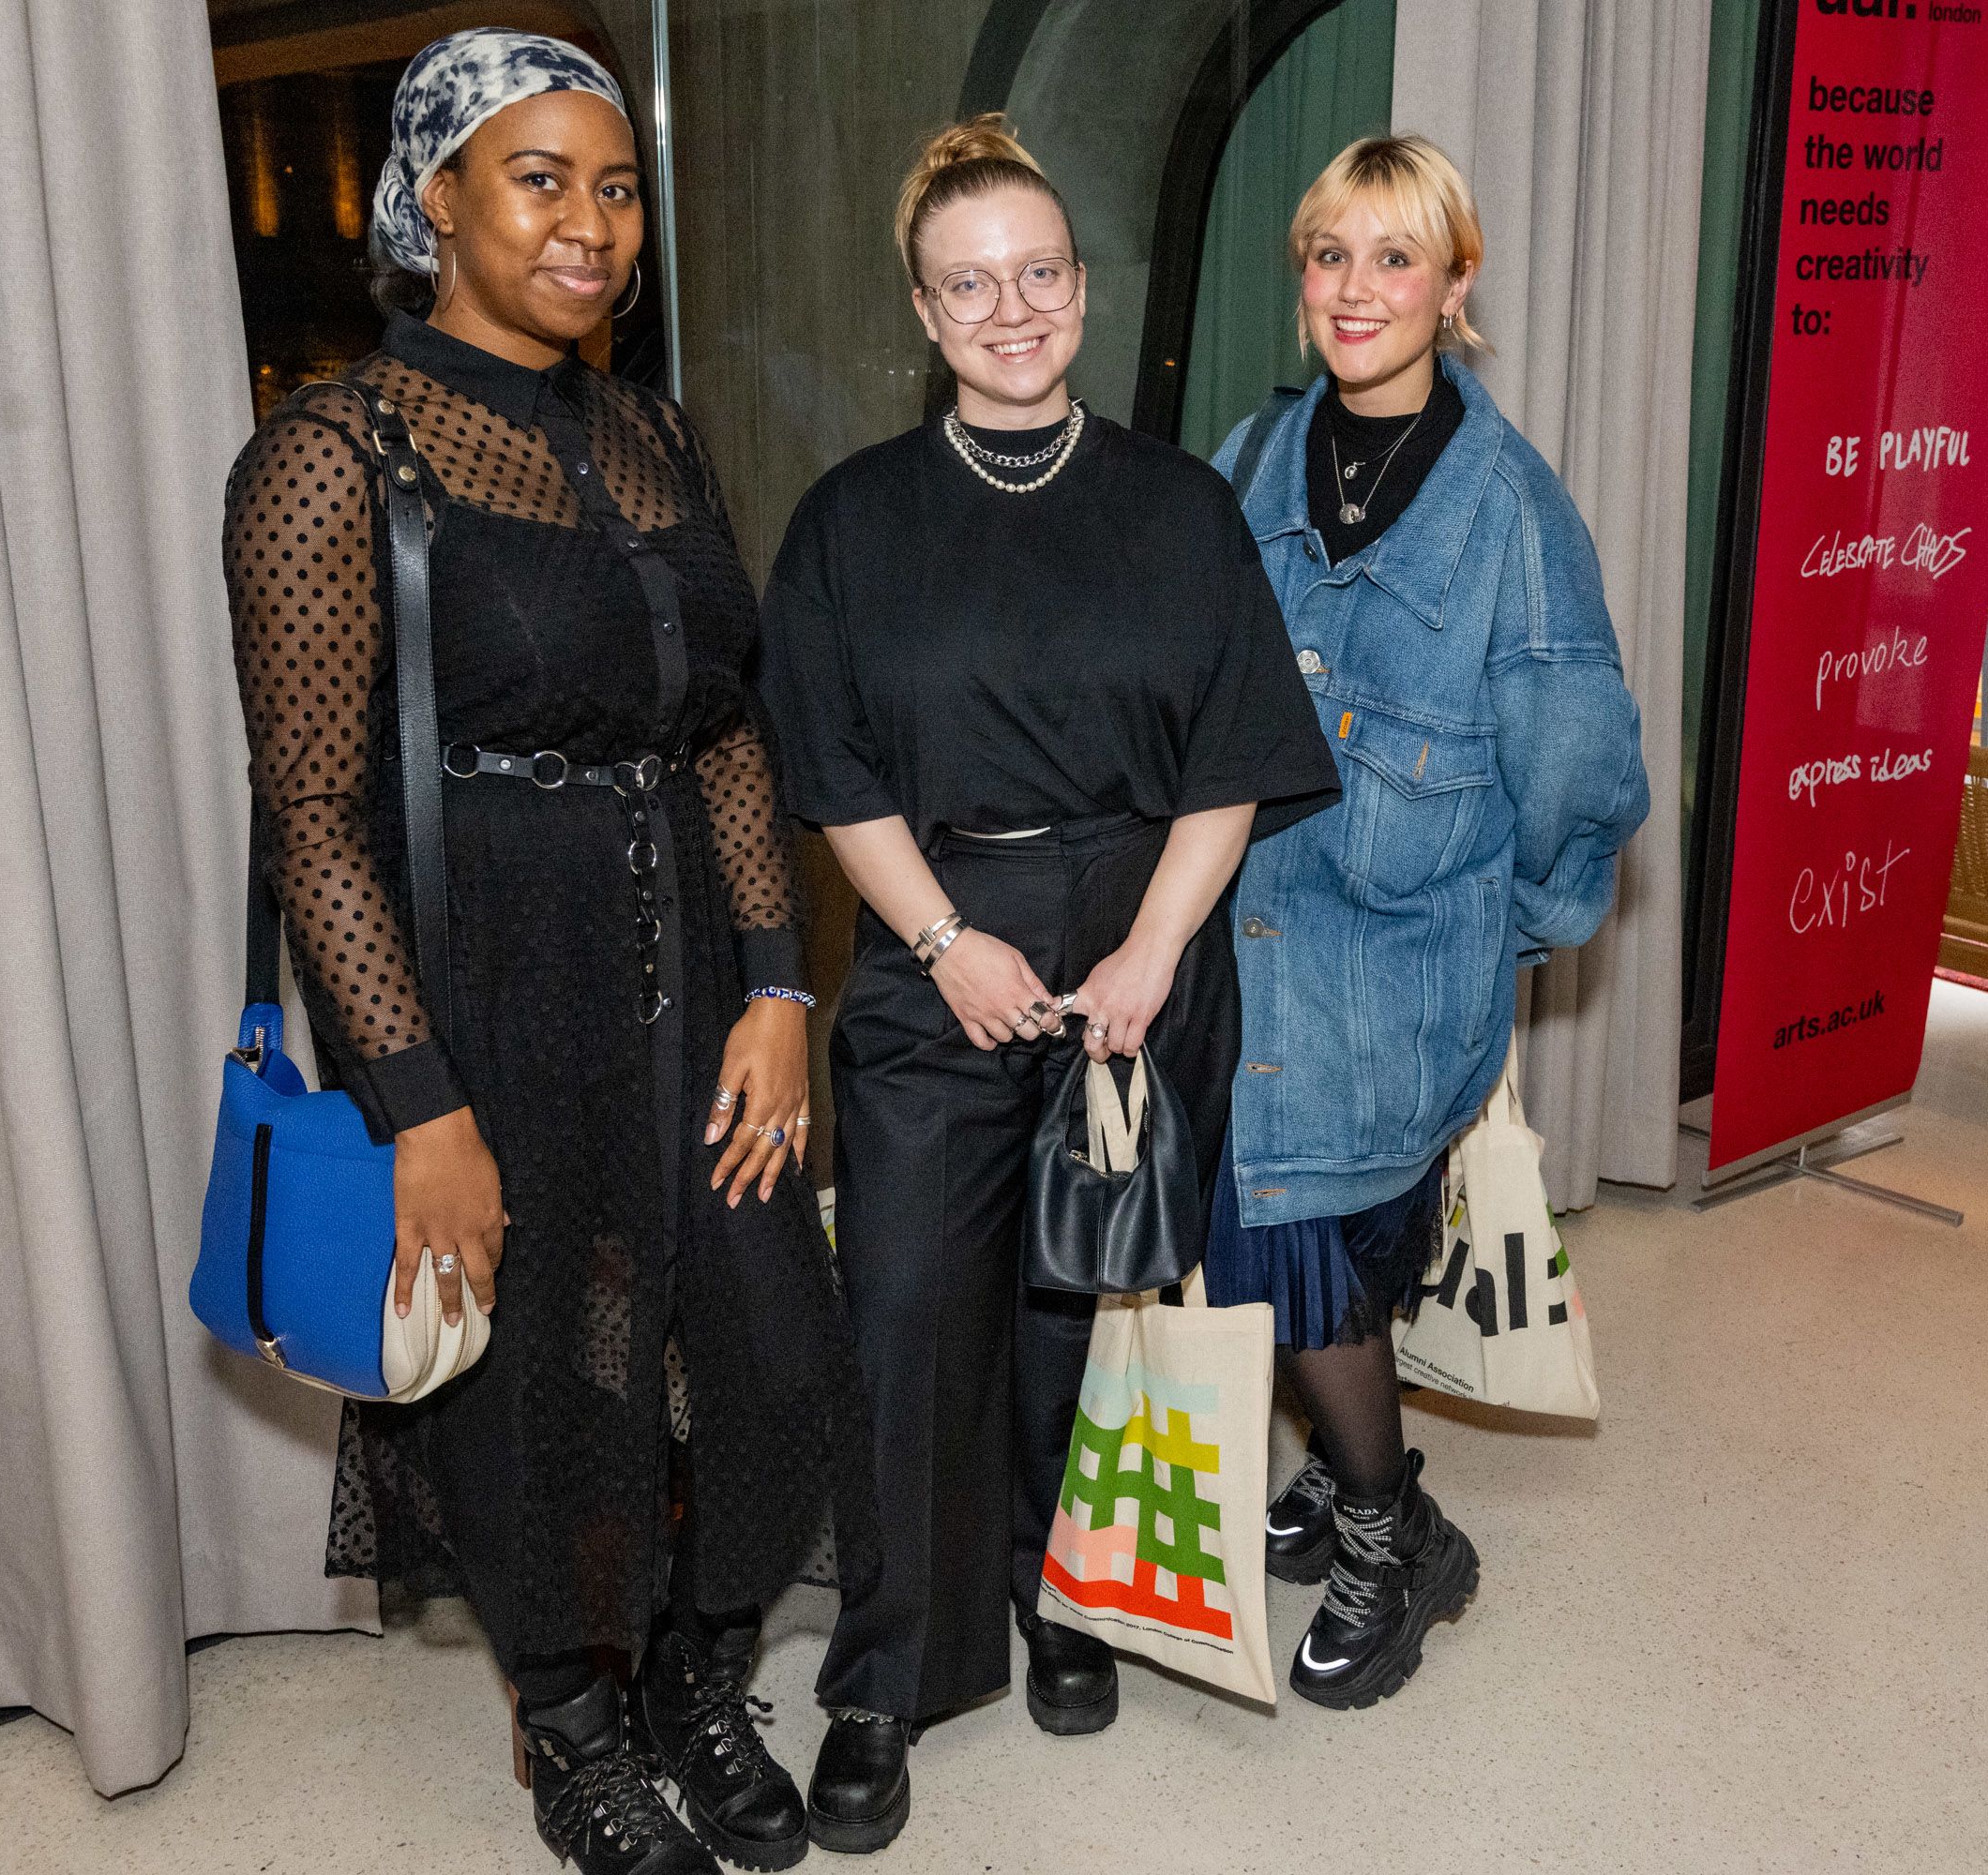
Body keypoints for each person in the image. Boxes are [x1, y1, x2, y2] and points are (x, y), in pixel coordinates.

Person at [221, 31, 877, 1874]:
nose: (594, 222)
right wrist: (419, 1106)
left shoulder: (658, 431)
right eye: (539, 177)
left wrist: (776, 984)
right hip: (482, 973)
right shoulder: (326, 458)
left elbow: (724, 725)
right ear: (432, 203)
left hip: (690, 953)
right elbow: (313, 819)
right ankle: (576, 1724)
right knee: (535, 1382)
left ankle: (692, 1658)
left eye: (615, 185)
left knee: (763, 1337)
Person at [756, 115, 1336, 1853]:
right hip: (942, 931)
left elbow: (1232, 758)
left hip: (1145, 934)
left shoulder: (1180, 505)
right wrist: (945, 942)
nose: (1009, 310)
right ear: (924, 316)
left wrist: (1152, 951)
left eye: (1037, 276)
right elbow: (835, 770)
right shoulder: (854, 519)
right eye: (967, 286)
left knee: (1074, 1302)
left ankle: (1058, 1593)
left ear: (1083, 289)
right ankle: (884, 1675)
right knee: (910, 1310)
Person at [1206, 134, 1647, 1710]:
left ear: (1456, 286)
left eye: (1396, 257)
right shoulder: (1259, 454)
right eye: (1331, 253)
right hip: (1247, 935)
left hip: (1401, 961)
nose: (1356, 289)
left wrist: (1500, 937)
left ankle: (1398, 1534)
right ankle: (1348, 1458)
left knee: (1297, 1238)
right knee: (1290, 1242)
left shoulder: (1513, 513)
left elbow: (1584, 770)